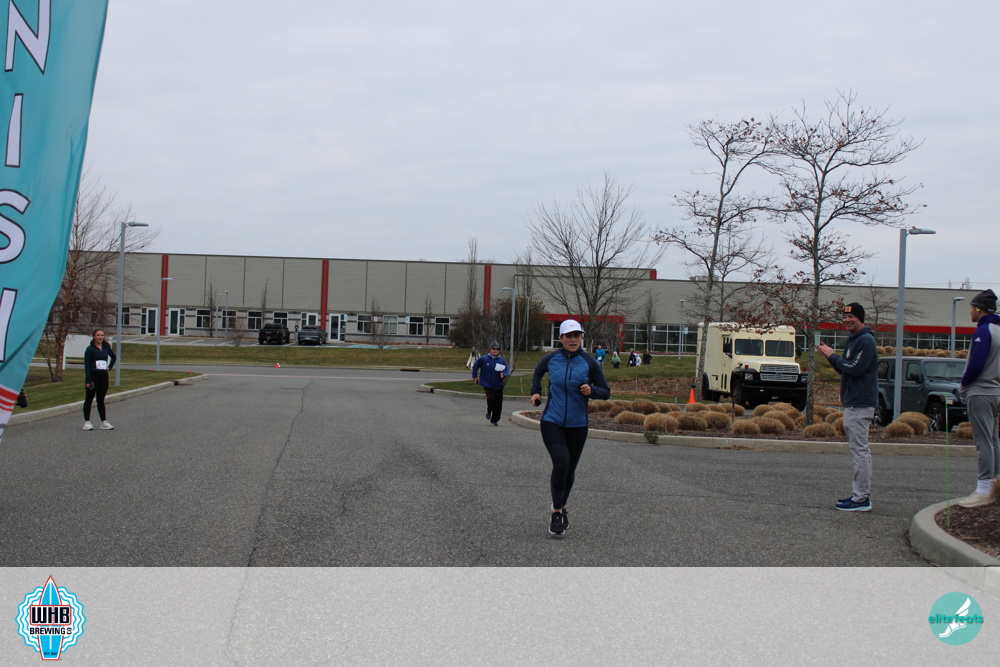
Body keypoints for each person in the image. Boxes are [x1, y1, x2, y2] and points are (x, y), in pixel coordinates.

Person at [530, 320, 611, 536]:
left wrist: (591, 390)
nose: (573, 340)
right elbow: (538, 372)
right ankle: (556, 512)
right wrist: (535, 392)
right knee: (561, 463)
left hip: (578, 424)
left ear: (581, 338)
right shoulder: (551, 359)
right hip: (552, 420)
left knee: (570, 469)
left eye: (577, 336)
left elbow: (605, 391)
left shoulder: (589, 362)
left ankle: (562, 505)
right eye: (569, 336)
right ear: (561, 338)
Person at [816, 303, 878, 511]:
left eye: (851, 317)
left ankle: (861, 499)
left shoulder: (866, 341)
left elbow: (855, 369)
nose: (847, 320)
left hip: (861, 403)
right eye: (844, 317)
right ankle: (859, 495)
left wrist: (833, 355)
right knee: (858, 450)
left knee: (860, 451)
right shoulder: (854, 340)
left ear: (861, 318)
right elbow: (845, 369)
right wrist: (830, 356)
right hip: (853, 402)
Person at [958, 289, 1000, 507]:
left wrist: (964, 383)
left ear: (978, 308)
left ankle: (983, 489)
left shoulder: (983, 331)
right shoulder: (999, 329)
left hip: (980, 392)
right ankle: (995, 485)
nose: (969, 312)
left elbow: (976, 364)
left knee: (983, 442)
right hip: (996, 392)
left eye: (971, 308)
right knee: (993, 440)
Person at [83, 328, 117, 431]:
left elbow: (114, 357)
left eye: (102, 335)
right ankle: (87, 422)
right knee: (89, 399)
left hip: (103, 376)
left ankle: (103, 422)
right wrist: (88, 380)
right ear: (94, 336)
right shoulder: (90, 349)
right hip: (93, 376)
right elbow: (87, 365)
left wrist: (109, 367)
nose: (100, 337)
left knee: (101, 399)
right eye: (98, 335)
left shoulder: (106, 347)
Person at [471, 341, 509, 426]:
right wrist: (475, 376)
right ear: (490, 349)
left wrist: (503, 375)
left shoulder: (501, 360)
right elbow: (475, 366)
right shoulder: (484, 359)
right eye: (494, 348)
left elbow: (506, 370)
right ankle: (489, 410)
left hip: (498, 384)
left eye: (497, 349)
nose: (495, 350)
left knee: (498, 403)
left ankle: (494, 420)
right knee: (491, 399)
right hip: (487, 384)